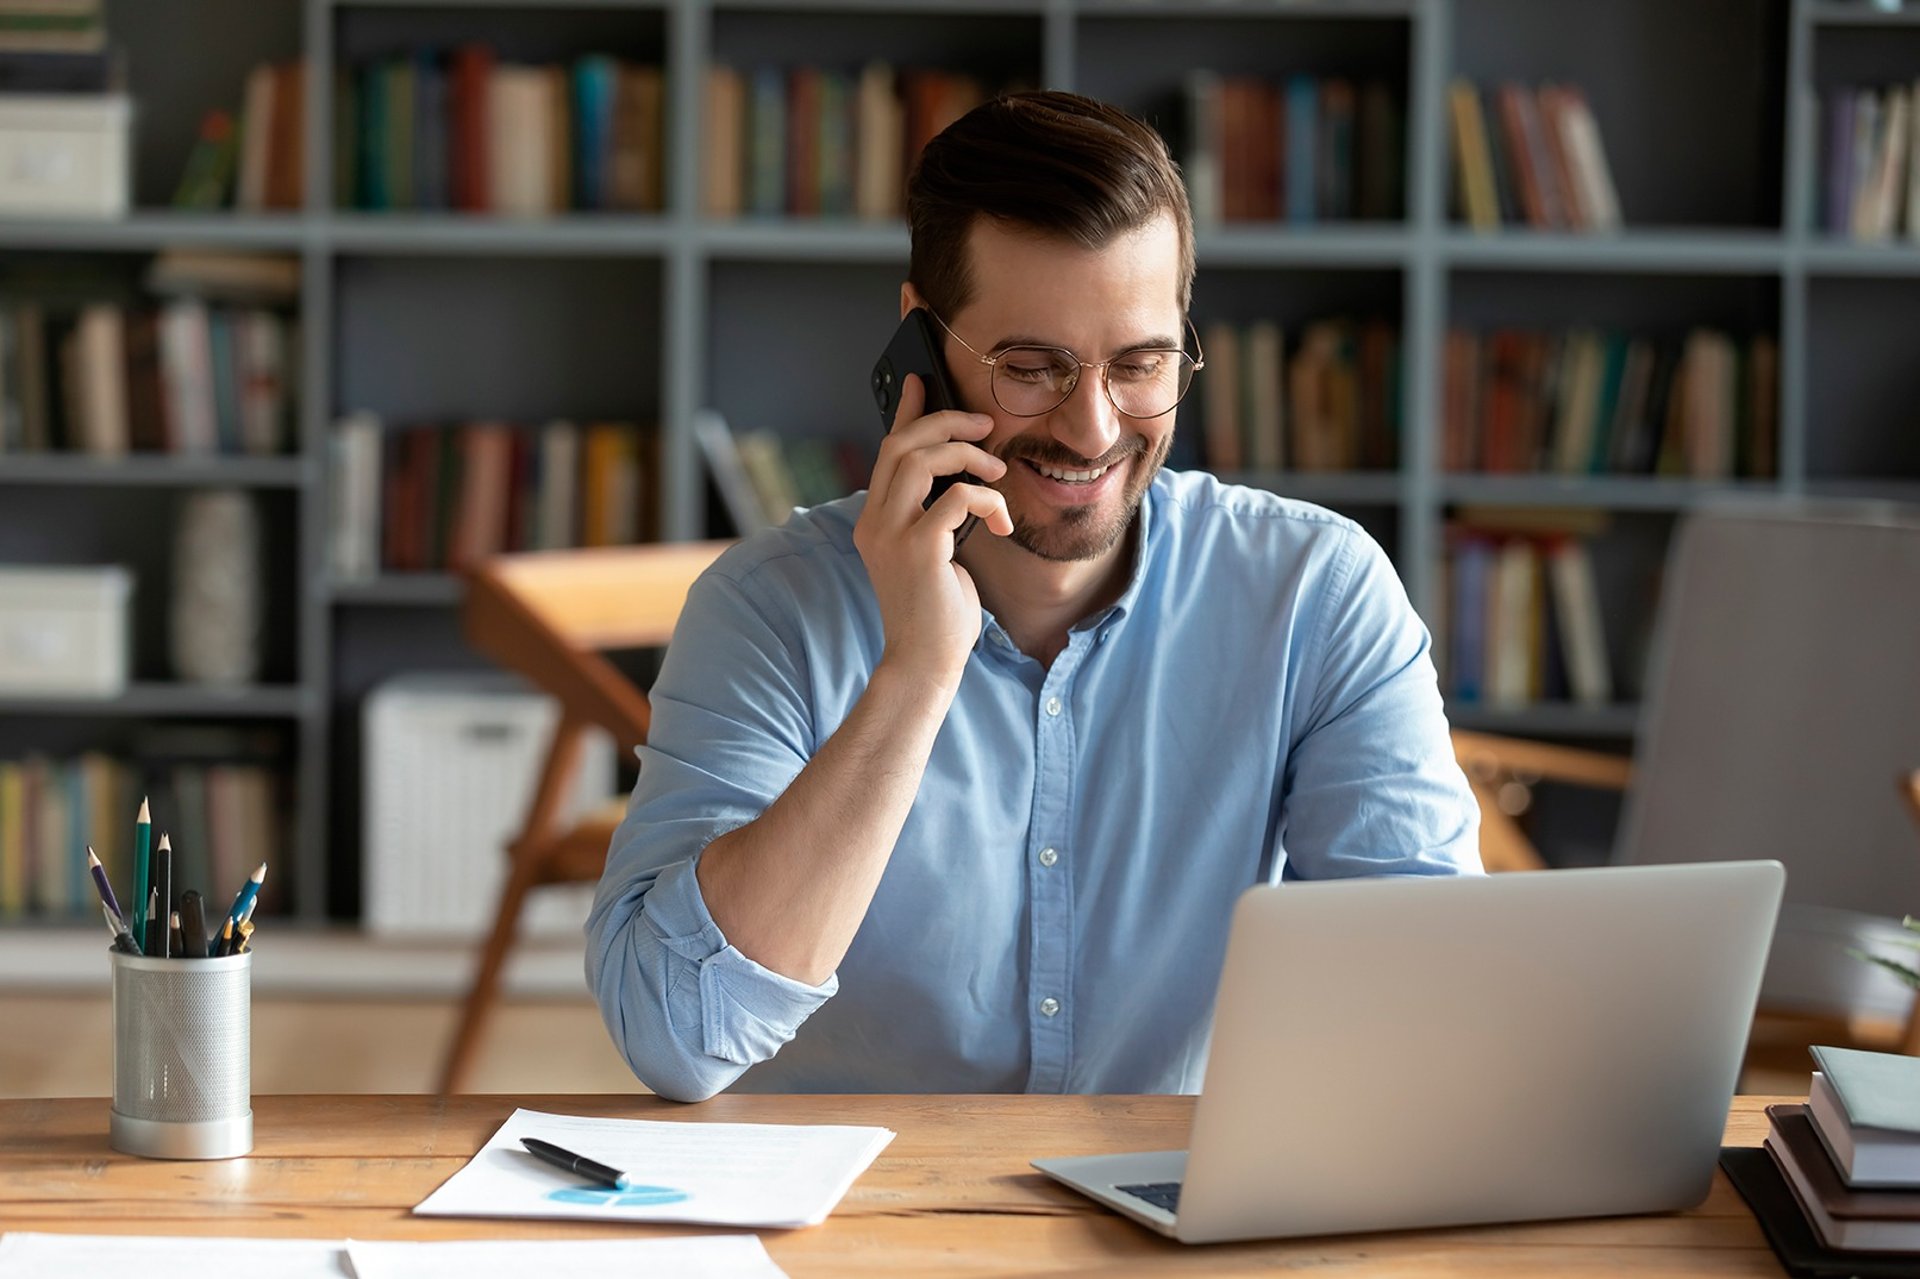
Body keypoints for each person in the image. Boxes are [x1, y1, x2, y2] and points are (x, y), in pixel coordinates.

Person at [587, 90, 1480, 1103]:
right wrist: (918, 674)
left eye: (1139, 365)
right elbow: (674, 1036)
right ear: (918, 346)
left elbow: (1426, 1003)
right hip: (858, 1230)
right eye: (1032, 368)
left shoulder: (1314, 594)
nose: (1095, 429)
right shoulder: (768, 609)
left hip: (1166, 1232)